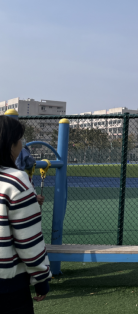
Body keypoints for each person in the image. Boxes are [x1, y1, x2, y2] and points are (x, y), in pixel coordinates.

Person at [0, 116, 52, 314]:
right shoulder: (16, 182)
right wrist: (42, 279)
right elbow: (28, 242)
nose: (22, 145)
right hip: (8, 286)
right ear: (10, 144)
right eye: (20, 139)